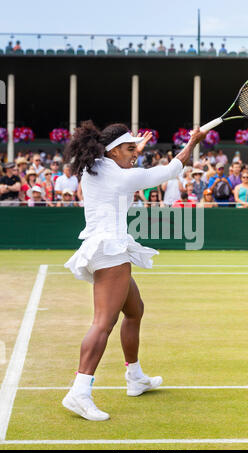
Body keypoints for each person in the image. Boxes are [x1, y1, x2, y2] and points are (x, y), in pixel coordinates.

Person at [62, 121, 207, 421]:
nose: (136, 155)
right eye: (130, 150)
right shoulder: (118, 175)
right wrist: (193, 141)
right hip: (109, 250)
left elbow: (125, 166)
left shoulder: (99, 166)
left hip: (109, 247)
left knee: (135, 310)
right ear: (113, 151)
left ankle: (135, 377)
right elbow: (170, 170)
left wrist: (130, 151)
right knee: (103, 323)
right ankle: (79, 391)